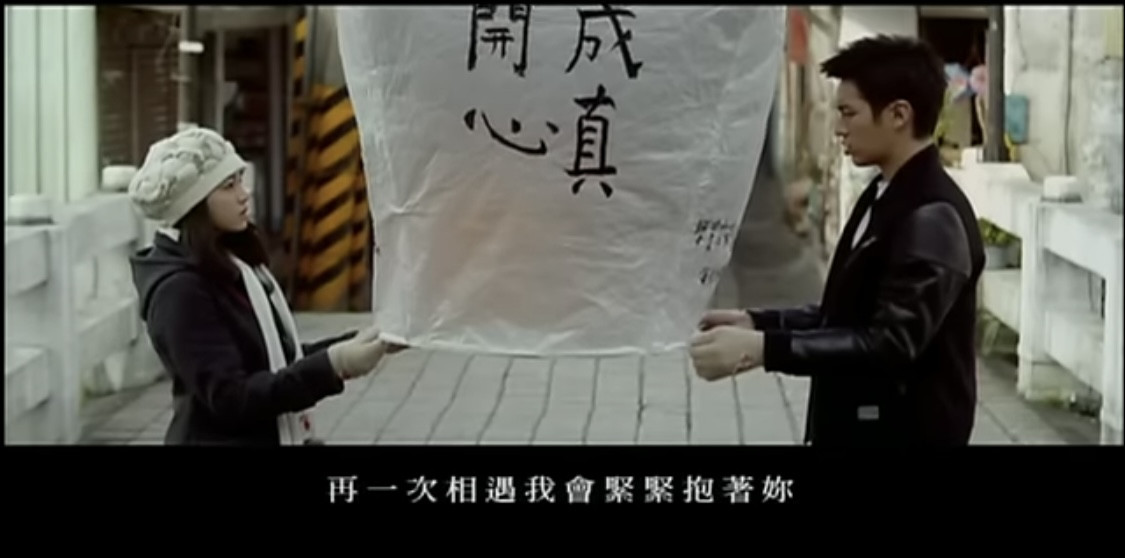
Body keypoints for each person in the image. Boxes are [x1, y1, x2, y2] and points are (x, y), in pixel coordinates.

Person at [689, 35, 985, 447]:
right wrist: (759, 322)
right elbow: (850, 314)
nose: (838, 128)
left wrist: (763, 349)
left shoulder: (932, 217)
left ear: (899, 115)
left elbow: (888, 344)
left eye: (849, 113)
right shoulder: (884, 192)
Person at [128, 127, 391, 446]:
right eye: (228, 186)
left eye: (240, 180)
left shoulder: (233, 263)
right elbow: (232, 398)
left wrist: (364, 341)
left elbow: (275, 356)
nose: (244, 194)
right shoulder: (179, 291)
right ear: (193, 204)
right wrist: (335, 365)